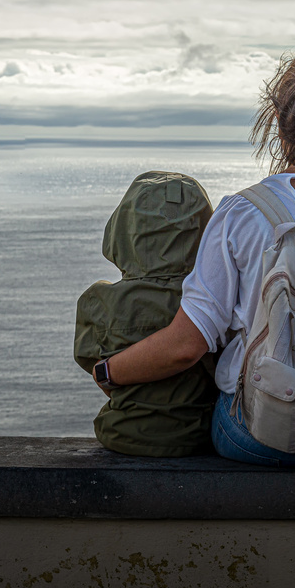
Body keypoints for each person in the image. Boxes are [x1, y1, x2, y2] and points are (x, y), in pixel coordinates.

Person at [90, 40, 295, 467]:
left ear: (280, 125)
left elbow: (187, 345)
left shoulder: (240, 212)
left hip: (261, 434)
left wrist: (109, 371)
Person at [73, 171, 218, 456]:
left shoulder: (98, 301)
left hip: (120, 432)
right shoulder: (209, 301)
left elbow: (94, 366)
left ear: (121, 230)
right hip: (199, 436)